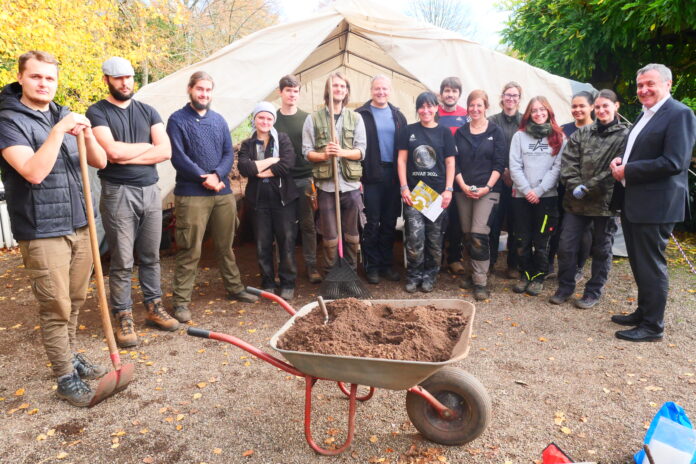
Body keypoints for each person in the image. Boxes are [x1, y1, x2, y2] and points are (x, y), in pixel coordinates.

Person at [0, 51, 108, 406]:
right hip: (42, 228)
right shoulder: (8, 120)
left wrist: (87, 133)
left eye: (50, 78)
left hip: (79, 222)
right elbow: (32, 171)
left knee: (75, 300)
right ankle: (64, 376)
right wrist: (59, 131)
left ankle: (71, 356)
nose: (44, 84)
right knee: (55, 306)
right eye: (36, 77)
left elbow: (100, 161)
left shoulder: (62, 114)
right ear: (21, 78)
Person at [86, 57, 178, 347]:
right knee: (123, 259)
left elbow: (166, 151)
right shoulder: (97, 112)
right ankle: (123, 315)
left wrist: (130, 153)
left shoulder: (148, 111)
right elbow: (111, 152)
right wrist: (145, 148)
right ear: (106, 80)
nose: (125, 82)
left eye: (128, 77)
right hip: (117, 191)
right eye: (117, 78)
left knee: (151, 255)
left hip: (150, 190)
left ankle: (153, 307)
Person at [609, 63, 696, 342]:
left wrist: (629, 171)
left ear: (668, 84)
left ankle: (653, 326)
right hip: (637, 201)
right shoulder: (645, 114)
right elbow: (640, 151)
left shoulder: (679, 114)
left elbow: (674, 161)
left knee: (651, 264)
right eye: (640, 85)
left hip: (656, 205)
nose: (643, 89)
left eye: (650, 84)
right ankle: (644, 312)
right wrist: (622, 160)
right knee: (639, 262)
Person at [166, 71, 258, 323]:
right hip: (192, 193)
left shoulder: (218, 120)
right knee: (190, 249)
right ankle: (181, 301)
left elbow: (229, 153)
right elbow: (178, 156)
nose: (204, 94)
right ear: (190, 90)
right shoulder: (177, 120)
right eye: (200, 89)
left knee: (226, 246)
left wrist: (217, 175)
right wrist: (202, 177)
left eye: (208, 90)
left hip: (222, 192)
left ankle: (234, 288)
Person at [549, 89, 630, 309]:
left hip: (605, 203)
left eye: (607, 105)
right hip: (576, 204)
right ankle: (565, 286)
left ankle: (593, 291)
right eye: (599, 106)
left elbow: (616, 168)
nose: (602, 110)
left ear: (616, 106)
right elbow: (568, 163)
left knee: (602, 250)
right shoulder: (582, 133)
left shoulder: (625, 136)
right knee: (566, 246)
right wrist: (576, 186)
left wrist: (589, 186)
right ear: (594, 108)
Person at [302, 72, 366, 271]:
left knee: (351, 233)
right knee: (330, 235)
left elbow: (361, 151)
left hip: (351, 186)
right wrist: (323, 155)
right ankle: (332, 275)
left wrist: (342, 152)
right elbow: (306, 152)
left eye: (342, 86)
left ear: (346, 91)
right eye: (335, 85)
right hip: (327, 187)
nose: (338, 89)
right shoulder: (313, 119)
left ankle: (351, 272)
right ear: (328, 90)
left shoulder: (355, 118)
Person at [238, 102, 299, 300]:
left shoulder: (282, 138)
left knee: (286, 241)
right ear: (254, 119)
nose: (265, 121)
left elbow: (288, 162)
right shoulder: (248, 144)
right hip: (258, 201)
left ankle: (288, 282)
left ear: (273, 120)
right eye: (261, 117)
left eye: (269, 118)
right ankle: (268, 282)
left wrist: (262, 170)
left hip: (283, 199)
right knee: (262, 243)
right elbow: (245, 168)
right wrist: (272, 160)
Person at [398, 91, 456, 293]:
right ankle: (414, 275)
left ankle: (430, 276)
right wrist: (404, 187)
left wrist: (448, 189)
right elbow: (402, 160)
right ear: (417, 110)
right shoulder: (408, 131)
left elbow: (450, 162)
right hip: (415, 193)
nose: (426, 110)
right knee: (415, 238)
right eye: (422, 107)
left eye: (429, 106)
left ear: (436, 108)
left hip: (436, 194)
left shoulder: (444, 133)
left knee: (434, 240)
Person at [509, 96, 566, 296]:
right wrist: (527, 190)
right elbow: (514, 166)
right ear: (528, 114)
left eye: (542, 109)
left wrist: (539, 191)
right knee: (522, 239)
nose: (539, 113)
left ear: (549, 112)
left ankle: (538, 277)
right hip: (521, 198)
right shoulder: (519, 136)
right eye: (534, 110)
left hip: (546, 198)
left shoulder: (559, 137)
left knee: (542, 241)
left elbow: (557, 168)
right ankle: (525, 275)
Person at [453, 90, 505, 301]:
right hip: (463, 189)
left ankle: (481, 281)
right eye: (472, 105)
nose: (475, 109)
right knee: (467, 233)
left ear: (486, 107)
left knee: (478, 234)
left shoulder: (496, 131)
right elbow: (453, 162)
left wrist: (487, 187)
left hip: (488, 190)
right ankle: (469, 272)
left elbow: (499, 163)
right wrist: (463, 185)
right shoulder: (460, 132)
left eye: (479, 105)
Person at [356, 75, 407, 284]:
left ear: (390, 91)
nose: (381, 92)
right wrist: (358, 176)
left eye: (385, 89)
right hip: (370, 175)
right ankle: (372, 266)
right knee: (372, 222)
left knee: (389, 222)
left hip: (393, 175)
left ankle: (386, 264)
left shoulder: (398, 115)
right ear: (371, 90)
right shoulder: (361, 115)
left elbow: (405, 149)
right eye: (377, 89)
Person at [274, 75, 322, 284]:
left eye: (295, 91)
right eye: (288, 91)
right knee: (284, 228)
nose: (292, 94)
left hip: (305, 178)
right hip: (282, 180)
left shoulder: (307, 118)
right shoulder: (272, 119)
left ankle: (311, 266)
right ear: (280, 93)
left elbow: (315, 148)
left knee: (308, 225)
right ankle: (284, 268)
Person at [548, 90, 596, 280]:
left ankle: (578, 267)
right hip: (562, 187)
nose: (577, 109)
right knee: (556, 225)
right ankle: (550, 263)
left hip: (587, 189)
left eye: (581, 106)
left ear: (591, 107)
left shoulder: (597, 130)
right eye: (574, 106)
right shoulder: (563, 130)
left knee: (584, 230)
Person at [488, 82, 523, 279]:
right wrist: (502, 171)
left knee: (516, 224)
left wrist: (515, 174)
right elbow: (488, 150)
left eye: (515, 95)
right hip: (496, 179)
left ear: (519, 99)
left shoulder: (525, 121)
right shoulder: (492, 121)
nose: (511, 98)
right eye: (508, 95)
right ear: (502, 97)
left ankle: (513, 265)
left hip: (519, 182)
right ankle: (491, 262)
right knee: (493, 223)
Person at [438, 77, 468, 275]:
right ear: (441, 94)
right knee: (436, 218)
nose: (450, 94)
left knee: (456, 220)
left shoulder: (466, 116)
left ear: (459, 94)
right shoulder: (433, 112)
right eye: (447, 91)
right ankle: (436, 257)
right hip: (436, 174)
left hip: (459, 175)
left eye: (454, 91)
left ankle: (454, 258)